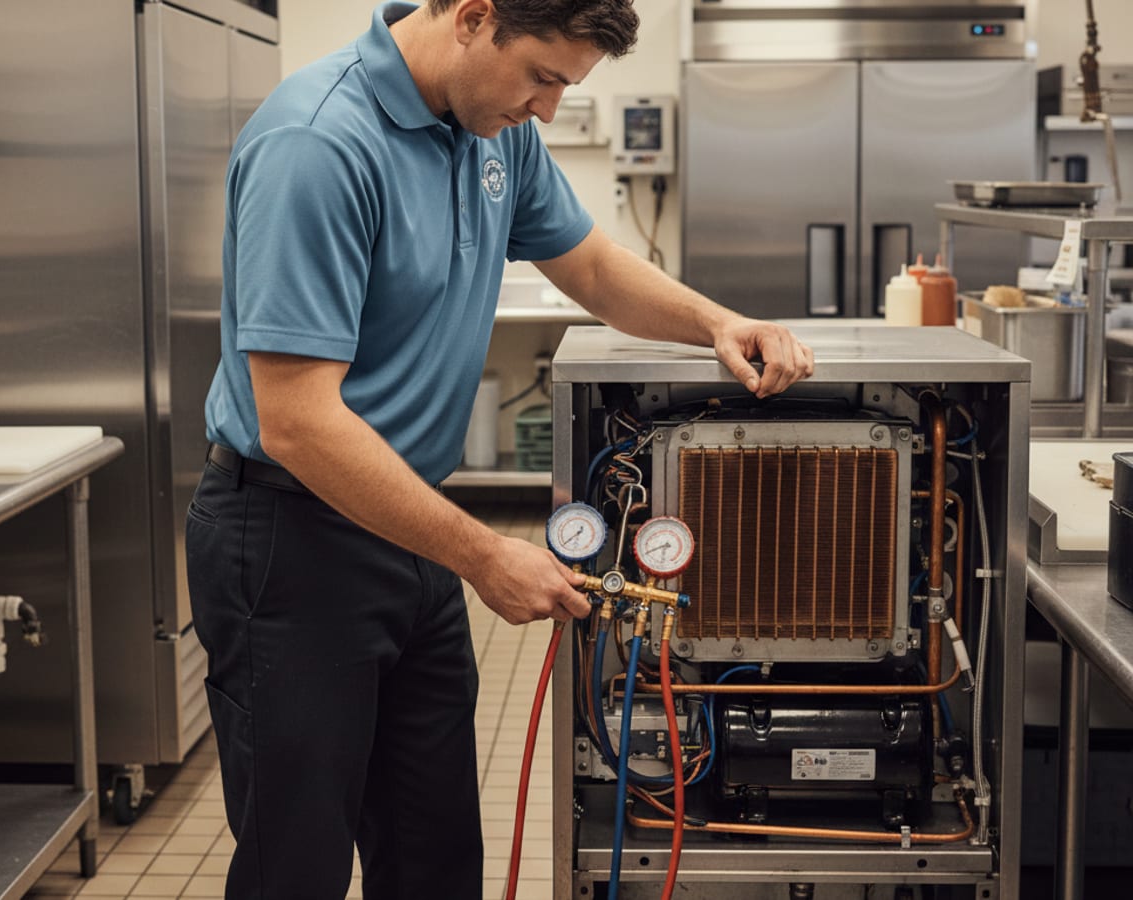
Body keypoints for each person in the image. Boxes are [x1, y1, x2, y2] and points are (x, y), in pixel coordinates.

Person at [185, 1, 815, 898]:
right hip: (290, 540)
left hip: (409, 527)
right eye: (545, 78)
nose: (550, 110)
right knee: (299, 861)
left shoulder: (491, 129)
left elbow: (593, 268)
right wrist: (484, 556)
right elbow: (297, 421)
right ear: (475, 17)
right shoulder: (317, 144)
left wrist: (718, 322)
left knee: (434, 852)